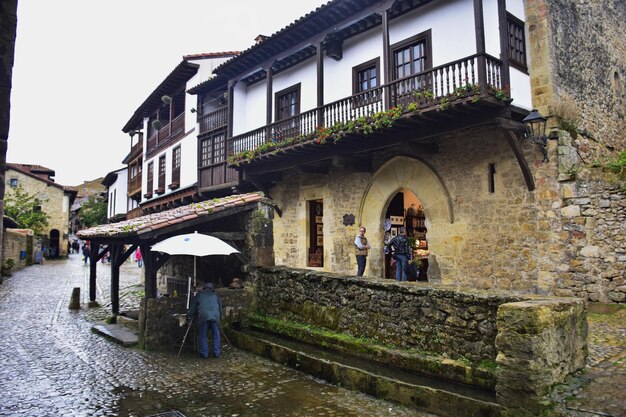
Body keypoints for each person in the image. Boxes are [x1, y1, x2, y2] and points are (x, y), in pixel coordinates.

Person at [187, 282, 222, 358]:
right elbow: (220, 309)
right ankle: (217, 352)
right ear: (212, 289)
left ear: (204, 288)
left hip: (204, 316)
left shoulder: (199, 295)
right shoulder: (216, 296)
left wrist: (188, 315)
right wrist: (220, 319)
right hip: (215, 317)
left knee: (203, 335)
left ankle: (204, 353)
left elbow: (192, 308)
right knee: (216, 335)